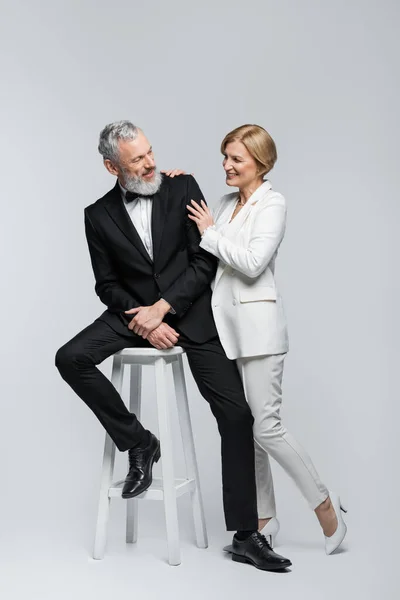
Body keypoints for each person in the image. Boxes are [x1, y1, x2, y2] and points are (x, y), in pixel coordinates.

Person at [55, 120, 292, 570]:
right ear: (111, 166)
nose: (150, 163)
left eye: (149, 152)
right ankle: (139, 442)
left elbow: (204, 259)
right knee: (70, 358)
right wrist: (143, 321)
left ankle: (246, 535)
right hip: (136, 318)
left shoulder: (183, 188)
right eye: (137, 159)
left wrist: (163, 309)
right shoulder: (97, 215)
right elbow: (106, 285)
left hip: (191, 313)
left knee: (238, 416)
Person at [186, 124, 348, 555]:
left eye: (236, 159)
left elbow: (254, 263)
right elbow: (205, 248)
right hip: (225, 332)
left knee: (268, 427)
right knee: (245, 428)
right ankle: (262, 516)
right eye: (225, 157)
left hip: (259, 333)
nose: (227, 165)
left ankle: (324, 504)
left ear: (260, 162)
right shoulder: (223, 204)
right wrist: (175, 185)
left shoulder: (272, 203)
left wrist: (210, 233)